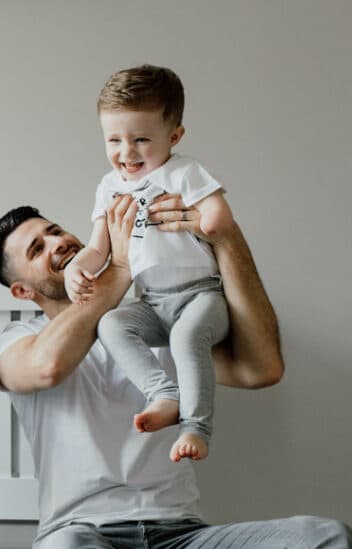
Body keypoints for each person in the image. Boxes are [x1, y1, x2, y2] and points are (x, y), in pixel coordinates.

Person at [0, 200, 352, 549]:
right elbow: (47, 367)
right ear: (22, 289)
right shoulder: (15, 341)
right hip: (83, 541)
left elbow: (262, 367)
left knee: (322, 538)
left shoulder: (156, 330)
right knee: (66, 548)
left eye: (56, 231)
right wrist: (117, 273)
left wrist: (227, 240)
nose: (59, 243)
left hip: (182, 545)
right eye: (38, 248)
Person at [65, 65, 233, 463]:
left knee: (187, 337)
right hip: (153, 301)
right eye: (114, 140)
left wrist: (208, 216)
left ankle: (196, 427)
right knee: (112, 324)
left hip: (201, 298)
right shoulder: (109, 187)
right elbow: (97, 249)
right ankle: (163, 393)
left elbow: (219, 217)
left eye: (141, 139)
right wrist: (77, 266)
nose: (126, 152)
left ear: (173, 136)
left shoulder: (184, 172)